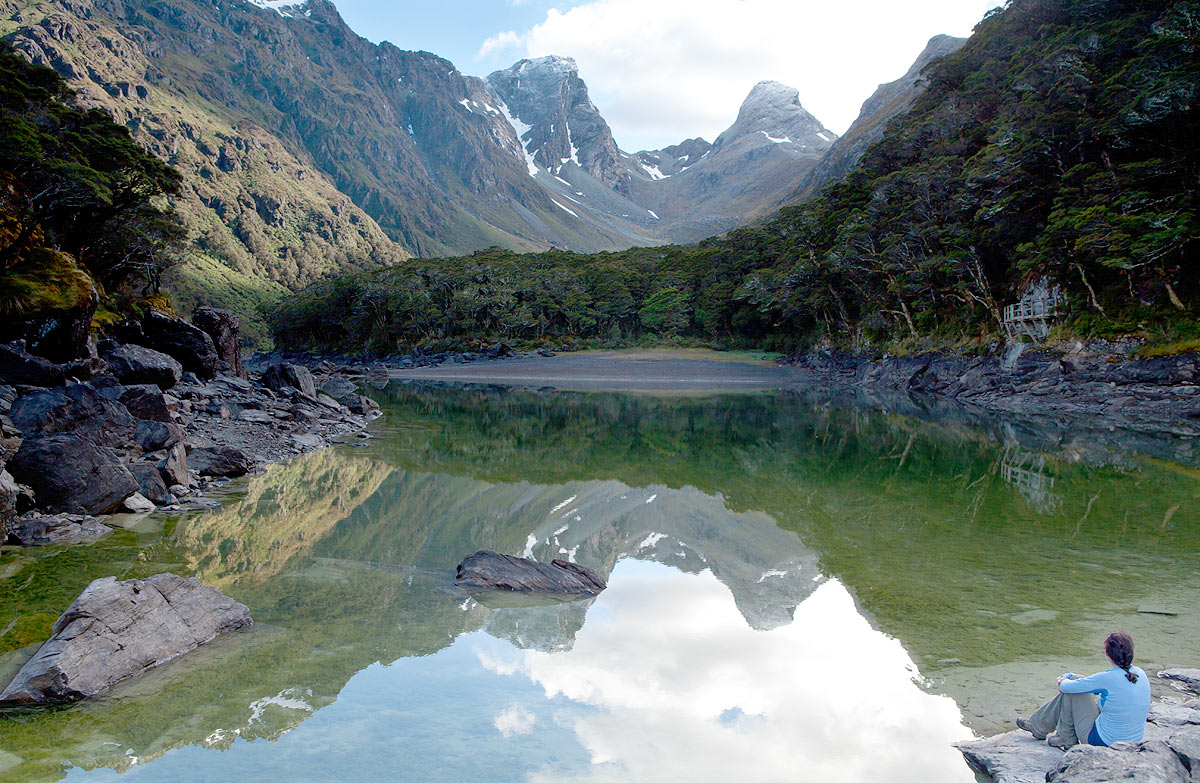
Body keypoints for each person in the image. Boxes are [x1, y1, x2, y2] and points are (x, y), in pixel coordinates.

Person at [1016, 630, 1151, 749]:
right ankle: (1047, 729)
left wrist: (1064, 677)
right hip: (1131, 743)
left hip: (1104, 743)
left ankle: (1059, 734)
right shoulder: (1140, 673)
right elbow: (1099, 686)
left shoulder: (1108, 678)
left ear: (1107, 653)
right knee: (1077, 682)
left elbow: (1065, 687)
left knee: (1074, 690)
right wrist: (1071, 677)